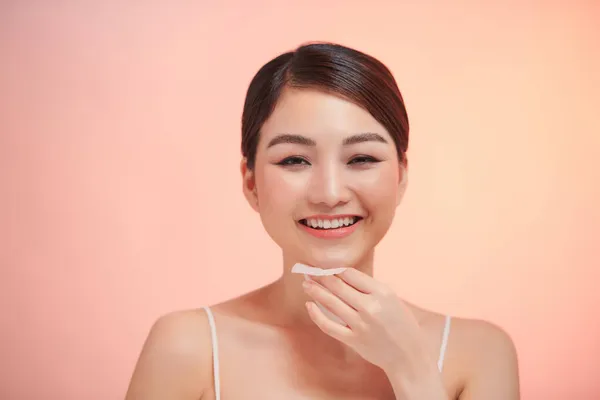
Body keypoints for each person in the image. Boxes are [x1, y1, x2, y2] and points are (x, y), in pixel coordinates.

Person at [125, 42, 520, 400]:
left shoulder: (479, 354)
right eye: (294, 160)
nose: (329, 193)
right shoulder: (188, 347)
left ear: (400, 175)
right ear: (251, 183)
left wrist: (411, 370)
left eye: (361, 158)